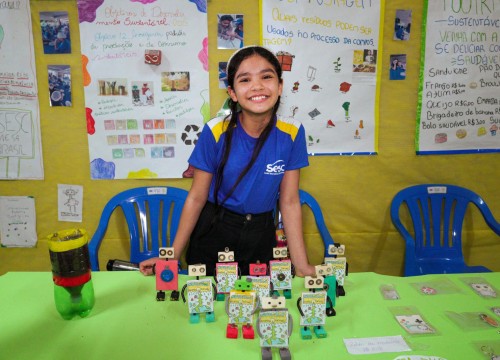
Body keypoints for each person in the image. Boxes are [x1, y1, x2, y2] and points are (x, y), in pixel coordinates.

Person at [140, 46, 315, 277]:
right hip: (215, 231)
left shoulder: (293, 132)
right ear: (232, 93)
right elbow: (197, 197)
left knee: (260, 305)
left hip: (261, 234)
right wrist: (171, 256)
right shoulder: (215, 131)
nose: (257, 86)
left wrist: (302, 266)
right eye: (245, 80)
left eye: (266, 76)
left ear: (280, 86)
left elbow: (290, 201)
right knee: (205, 303)